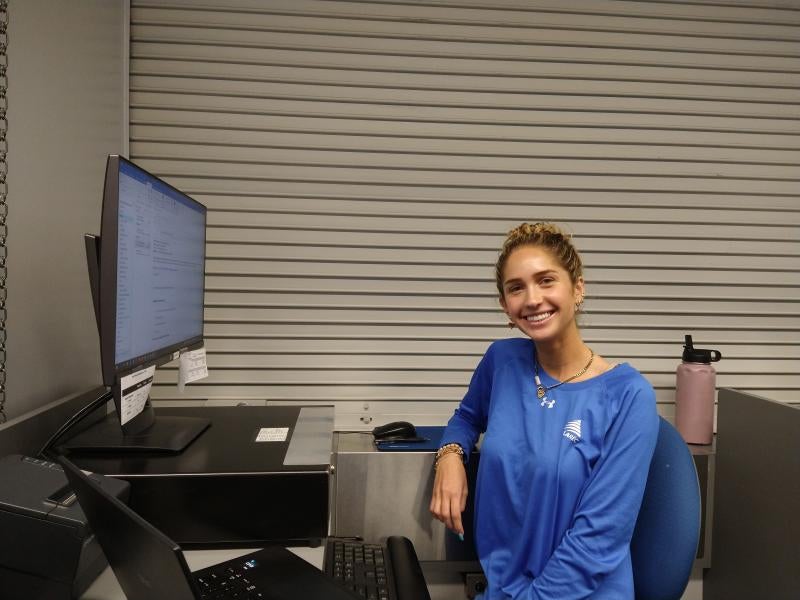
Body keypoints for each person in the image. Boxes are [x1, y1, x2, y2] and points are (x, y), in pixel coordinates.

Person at [429, 222, 659, 599]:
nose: (532, 299)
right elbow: (466, 418)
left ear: (578, 288)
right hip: (504, 589)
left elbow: (598, 540)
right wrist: (451, 456)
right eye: (516, 288)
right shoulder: (501, 362)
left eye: (546, 280)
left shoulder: (629, 396)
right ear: (505, 306)